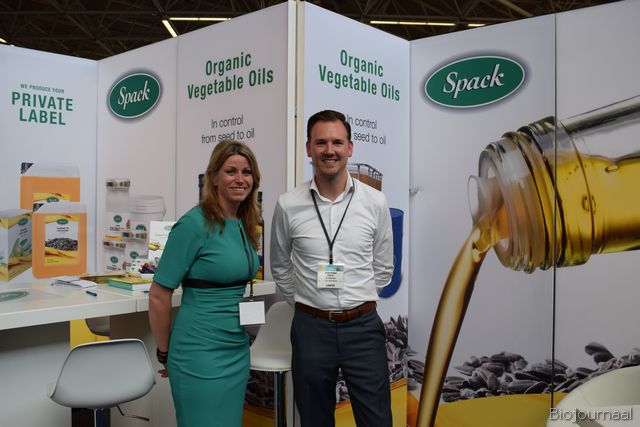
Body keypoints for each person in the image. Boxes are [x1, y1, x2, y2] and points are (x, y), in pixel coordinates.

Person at [270, 110, 394, 427]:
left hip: (363, 328)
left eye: (337, 142)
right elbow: (280, 265)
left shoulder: (375, 202)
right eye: (321, 142)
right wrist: (307, 303)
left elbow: (383, 266)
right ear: (308, 148)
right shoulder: (288, 204)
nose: (329, 150)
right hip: (311, 329)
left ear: (349, 148)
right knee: (314, 419)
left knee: (377, 420)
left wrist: (359, 298)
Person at [148, 140, 261, 427]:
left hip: (236, 348)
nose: (240, 179)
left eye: (247, 172)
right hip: (199, 351)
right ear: (214, 177)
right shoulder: (193, 224)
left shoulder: (245, 222)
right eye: (230, 171)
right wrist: (164, 352)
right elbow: (159, 294)